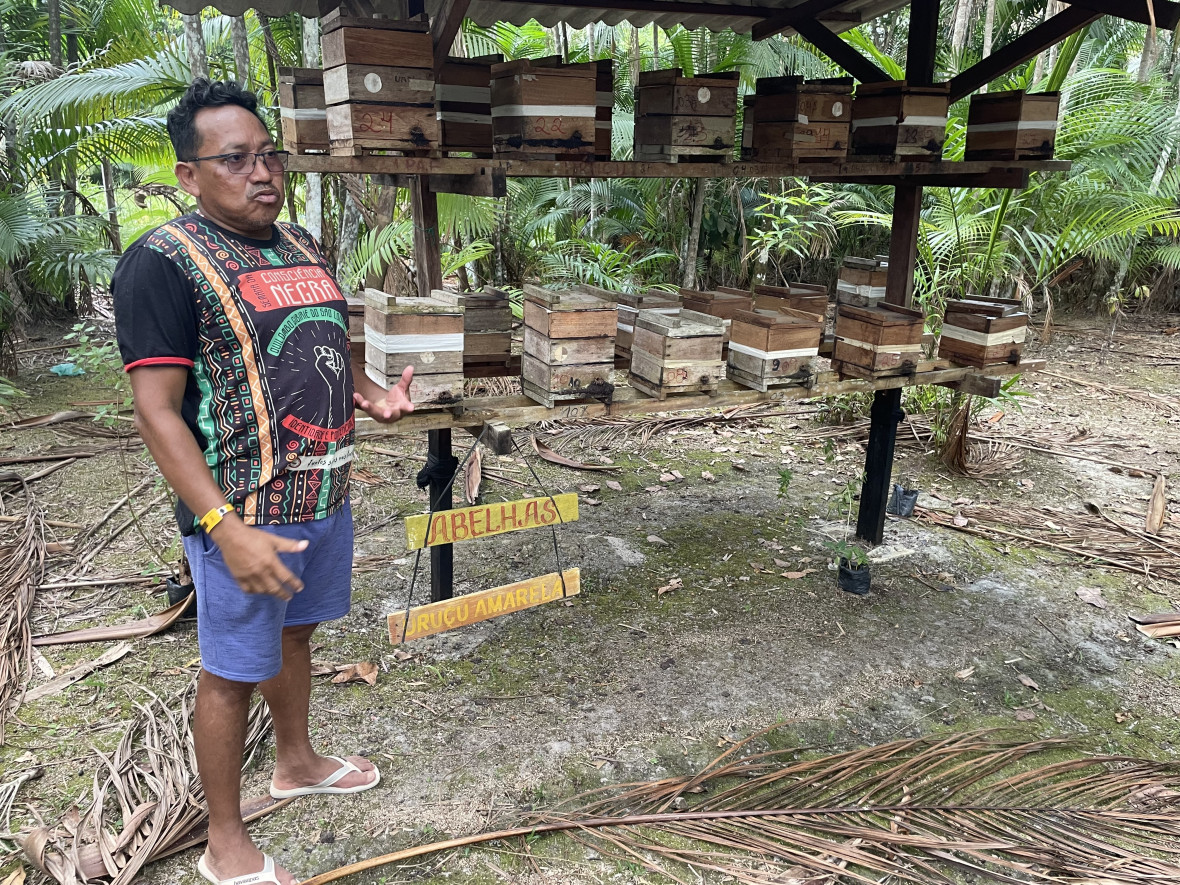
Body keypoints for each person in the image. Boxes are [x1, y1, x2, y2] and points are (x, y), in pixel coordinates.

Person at [112, 79, 413, 885]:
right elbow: (157, 412)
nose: (263, 172)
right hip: (240, 516)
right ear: (189, 174)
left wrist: (369, 395)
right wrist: (224, 528)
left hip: (322, 498)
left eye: (268, 154)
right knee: (231, 668)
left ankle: (297, 760)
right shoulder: (163, 263)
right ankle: (224, 840)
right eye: (236, 159)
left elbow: (318, 337)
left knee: (295, 639)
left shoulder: (300, 244)